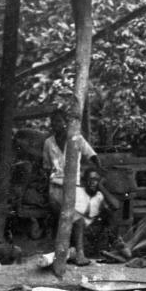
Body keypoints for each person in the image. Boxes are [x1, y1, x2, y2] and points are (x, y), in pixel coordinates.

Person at [44, 108, 102, 242]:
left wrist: (100, 171)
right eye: (53, 121)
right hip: (55, 185)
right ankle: (77, 249)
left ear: (65, 123)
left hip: (74, 185)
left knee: (77, 214)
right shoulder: (48, 143)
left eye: (58, 121)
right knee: (70, 214)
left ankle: (76, 248)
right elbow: (47, 167)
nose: (55, 124)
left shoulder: (76, 139)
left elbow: (92, 155)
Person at [72, 167, 121, 265]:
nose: (93, 183)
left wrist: (101, 188)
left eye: (96, 180)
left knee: (110, 214)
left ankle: (114, 250)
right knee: (79, 219)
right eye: (90, 179)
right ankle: (80, 254)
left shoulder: (99, 194)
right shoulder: (77, 192)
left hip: (93, 231)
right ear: (85, 181)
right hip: (76, 231)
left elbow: (116, 206)